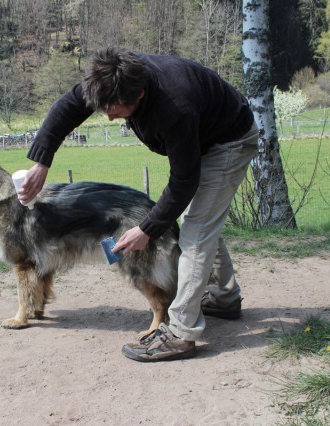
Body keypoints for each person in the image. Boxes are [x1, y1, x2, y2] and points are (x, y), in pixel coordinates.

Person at [18, 47, 258, 362]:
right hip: (200, 135)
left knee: (197, 232)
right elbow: (67, 107)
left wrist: (146, 228)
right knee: (199, 219)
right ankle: (224, 299)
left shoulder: (175, 105)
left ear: (140, 95)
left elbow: (183, 181)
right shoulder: (108, 77)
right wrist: (42, 162)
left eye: (114, 109)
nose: (109, 116)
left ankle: (180, 333)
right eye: (102, 108)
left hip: (227, 142)